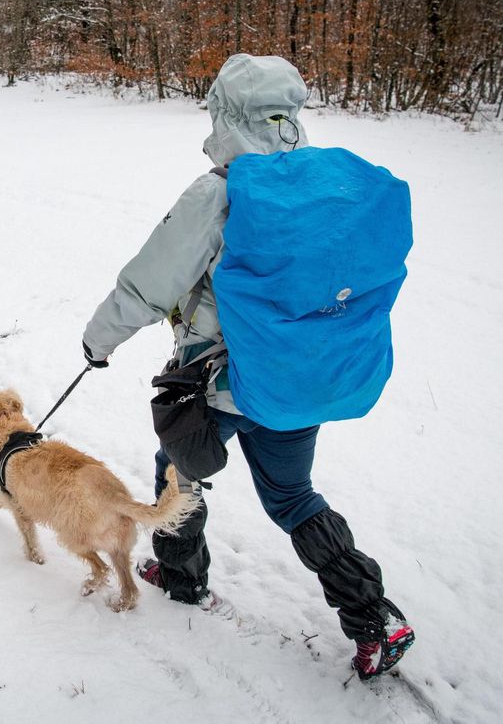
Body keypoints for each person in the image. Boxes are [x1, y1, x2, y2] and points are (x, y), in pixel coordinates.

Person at [80, 53, 415, 681]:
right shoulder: (329, 186)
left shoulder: (221, 192)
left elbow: (149, 285)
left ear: (224, 114)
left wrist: (98, 342)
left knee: (178, 470)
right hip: (300, 380)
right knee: (292, 495)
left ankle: (180, 577)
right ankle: (375, 616)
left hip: (223, 383)